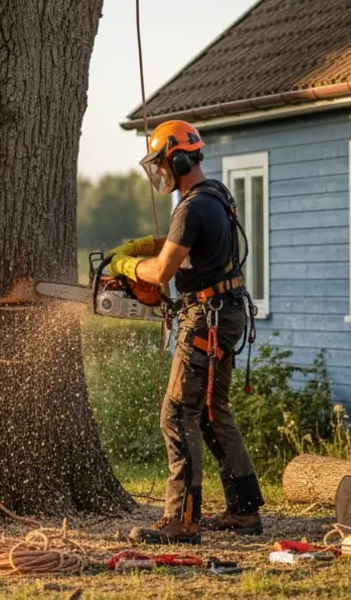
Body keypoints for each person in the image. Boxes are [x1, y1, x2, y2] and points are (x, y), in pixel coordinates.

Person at [107, 119, 264, 545]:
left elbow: (161, 273)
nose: (160, 171)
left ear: (176, 159)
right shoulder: (215, 197)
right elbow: (185, 245)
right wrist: (148, 243)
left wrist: (125, 264)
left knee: (178, 414)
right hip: (225, 312)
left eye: (162, 163)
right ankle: (245, 510)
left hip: (207, 318)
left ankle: (182, 520)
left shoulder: (193, 205)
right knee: (213, 412)